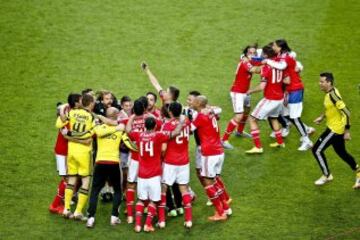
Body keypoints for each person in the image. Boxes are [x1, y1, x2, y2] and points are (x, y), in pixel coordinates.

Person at [126, 116, 185, 232]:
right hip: (154, 174)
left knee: (141, 200)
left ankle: (137, 225)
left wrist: (131, 118)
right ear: (154, 126)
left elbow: (128, 130)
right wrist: (182, 122)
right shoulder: (158, 135)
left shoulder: (139, 135)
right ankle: (148, 224)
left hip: (142, 174)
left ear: (145, 126)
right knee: (154, 200)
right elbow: (176, 132)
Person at [85, 107, 137, 228]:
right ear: (116, 116)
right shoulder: (120, 129)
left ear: (106, 115)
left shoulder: (99, 127)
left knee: (95, 191)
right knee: (118, 190)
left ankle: (90, 218)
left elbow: (96, 132)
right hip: (114, 163)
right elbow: (129, 144)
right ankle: (114, 217)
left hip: (100, 162)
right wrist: (140, 150)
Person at [263, 39, 314, 151]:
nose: (273, 47)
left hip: (295, 89)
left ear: (280, 48)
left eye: (275, 46)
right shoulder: (281, 56)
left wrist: (267, 62)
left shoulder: (285, 57)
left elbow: (283, 69)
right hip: (287, 91)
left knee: (294, 117)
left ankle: (307, 140)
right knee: (286, 114)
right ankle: (307, 129)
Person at [312, 72, 359, 188]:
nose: (320, 84)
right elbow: (330, 107)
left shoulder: (333, 96)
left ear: (329, 82)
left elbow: (347, 112)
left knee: (316, 150)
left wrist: (347, 132)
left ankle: (327, 175)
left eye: (322, 82)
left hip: (335, 130)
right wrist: (322, 117)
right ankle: (359, 172)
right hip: (336, 128)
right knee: (342, 153)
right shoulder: (330, 93)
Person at [190, 95, 231, 221]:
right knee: (214, 180)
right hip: (219, 151)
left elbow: (189, 130)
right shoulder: (211, 113)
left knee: (208, 182)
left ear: (199, 104)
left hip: (210, 153)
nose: (192, 102)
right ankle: (226, 207)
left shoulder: (201, 117)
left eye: (195, 101)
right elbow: (218, 110)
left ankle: (220, 213)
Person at [125, 99, 162, 224]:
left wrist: (132, 117)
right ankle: (151, 210)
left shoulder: (130, 119)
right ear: (145, 108)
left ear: (134, 110)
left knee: (131, 184)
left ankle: (130, 215)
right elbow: (160, 123)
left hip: (135, 157)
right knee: (152, 184)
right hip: (150, 159)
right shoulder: (150, 119)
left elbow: (127, 130)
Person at [60, 93, 96, 220]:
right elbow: (88, 135)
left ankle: (66, 209)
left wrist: (70, 135)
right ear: (90, 103)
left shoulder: (73, 112)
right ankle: (78, 212)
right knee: (86, 180)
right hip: (84, 153)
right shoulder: (92, 117)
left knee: (71, 180)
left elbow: (63, 121)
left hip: (71, 151)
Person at [157, 102, 193, 229]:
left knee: (163, 188)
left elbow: (163, 146)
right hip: (184, 161)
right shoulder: (187, 122)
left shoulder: (167, 125)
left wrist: (161, 156)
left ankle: (161, 221)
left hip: (170, 162)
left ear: (170, 112)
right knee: (184, 189)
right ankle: (188, 220)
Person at [245, 45, 286, 154]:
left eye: (263, 53)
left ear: (266, 55)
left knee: (252, 119)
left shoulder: (267, 68)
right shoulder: (278, 63)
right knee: (273, 118)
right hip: (280, 97)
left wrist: (250, 91)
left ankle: (258, 147)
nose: (261, 55)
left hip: (270, 98)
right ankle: (280, 141)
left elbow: (262, 86)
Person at [222, 44, 261, 150]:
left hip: (245, 92)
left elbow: (260, 62)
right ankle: (224, 140)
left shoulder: (250, 60)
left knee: (247, 111)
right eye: (250, 53)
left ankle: (239, 131)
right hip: (237, 93)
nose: (252, 55)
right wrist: (267, 65)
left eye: (254, 53)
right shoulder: (245, 62)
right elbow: (255, 70)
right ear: (246, 54)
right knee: (238, 116)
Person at [49, 93, 82, 215]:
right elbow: (66, 133)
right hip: (63, 151)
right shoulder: (66, 116)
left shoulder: (71, 112)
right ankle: (54, 205)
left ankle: (62, 201)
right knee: (67, 178)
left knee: (72, 177)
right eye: (80, 100)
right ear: (76, 103)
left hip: (69, 151)